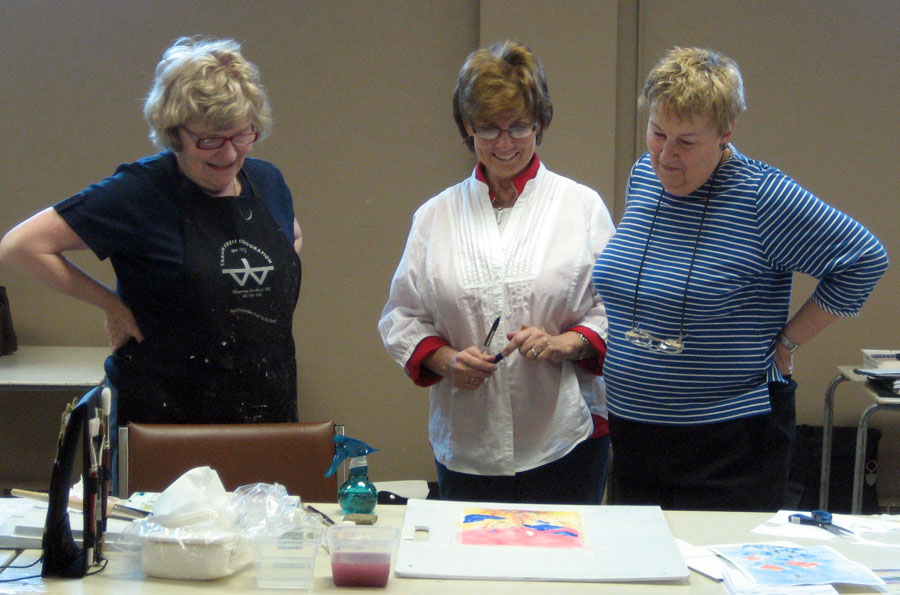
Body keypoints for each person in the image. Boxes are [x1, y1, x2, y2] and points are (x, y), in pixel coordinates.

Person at [592, 47, 888, 511]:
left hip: (727, 443)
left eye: (686, 142)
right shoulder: (645, 176)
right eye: (657, 132)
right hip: (634, 430)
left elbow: (865, 259)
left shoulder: (762, 196)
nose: (666, 156)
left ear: (725, 133)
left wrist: (787, 342)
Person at [0, 37, 302, 430]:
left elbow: (291, 237)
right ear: (175, 132)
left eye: (242, 135)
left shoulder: (267, 180)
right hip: (165, 417)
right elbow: (21, 247)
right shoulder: (139, 191)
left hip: (268, 407)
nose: (229, 154)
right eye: (209, 140)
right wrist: (113, 306)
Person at [379, 40, 615, 504]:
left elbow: (616, 309)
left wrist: (566, 343)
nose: (504, 144)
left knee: (563, 552)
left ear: (539, 123)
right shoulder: (435, 216)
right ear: (467, 127)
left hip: (566, 440)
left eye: (519, 126)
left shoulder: (581, 206)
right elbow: (402, 316)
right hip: (469, 446)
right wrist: (445, 361)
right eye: (488, 128)